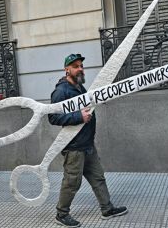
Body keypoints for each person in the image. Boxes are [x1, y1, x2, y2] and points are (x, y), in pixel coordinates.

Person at [48, 54, 128, 227]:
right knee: (71, 182)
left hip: (87, 144)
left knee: (98, 178)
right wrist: (78, 116)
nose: (80, 69)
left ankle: (107, 209)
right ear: (67, 69)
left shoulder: (79, 87)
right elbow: (53, 118)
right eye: (76, 66)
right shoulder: (61, 91)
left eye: (81, 66)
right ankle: (61, 214)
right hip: (74, 147)